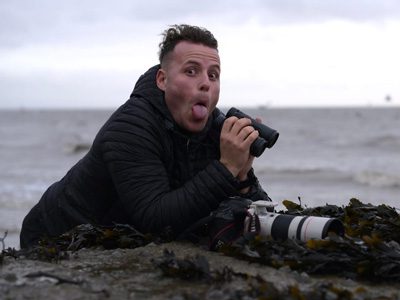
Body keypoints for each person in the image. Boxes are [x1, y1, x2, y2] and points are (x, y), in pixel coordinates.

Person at [20, 24, 271, 249]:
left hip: (120, 237)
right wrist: (226, 167)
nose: (205, 83)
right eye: (191, 71)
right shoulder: (130, 126)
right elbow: (155, 218)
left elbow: (263, 214)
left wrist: (242, 175)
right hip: (52, 236)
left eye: (213, 74)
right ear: (162, 79)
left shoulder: (215, 128)